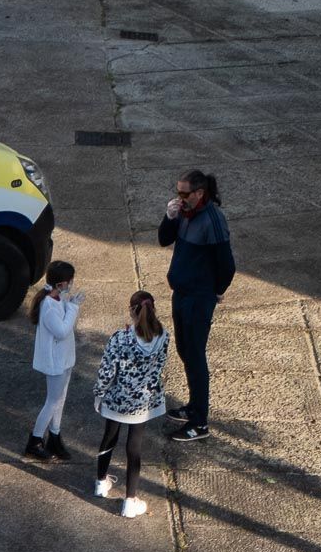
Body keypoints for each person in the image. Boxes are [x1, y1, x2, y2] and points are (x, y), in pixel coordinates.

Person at [159, 169, 235, 442]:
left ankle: (200, 422)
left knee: (195, 355)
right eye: (177, 192)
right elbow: (164, 239)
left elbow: (226, 264)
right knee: (184, 351)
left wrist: (217, 292)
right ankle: (192, 406)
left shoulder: (213, 220)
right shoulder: (184, 214)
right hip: (181, 293)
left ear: (199, 193)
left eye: (183, 193)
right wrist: (169, 217)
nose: (179, 197)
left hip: (198, 297)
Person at [92, 290, 168, 518]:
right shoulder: (163, 335)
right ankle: (130, 500)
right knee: (134, 449)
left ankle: (100, 482)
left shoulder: (120, 337)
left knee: (109, 439)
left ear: (132, 311)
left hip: (117, 399)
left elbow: (107, 370)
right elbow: (160, 365)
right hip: (142, 403)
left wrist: (99, 393)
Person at [24, 260, 84, 461]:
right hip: (55, 363)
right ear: (60, 284)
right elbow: (62, 331)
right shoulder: (49, 306)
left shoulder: (58, 298)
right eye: (69, 281)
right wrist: (74, 307)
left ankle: (55, 437)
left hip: (64, 359)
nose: (71, 284)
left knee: (60, 399)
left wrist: (69, 302)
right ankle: (35, 440)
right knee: (52, 402)